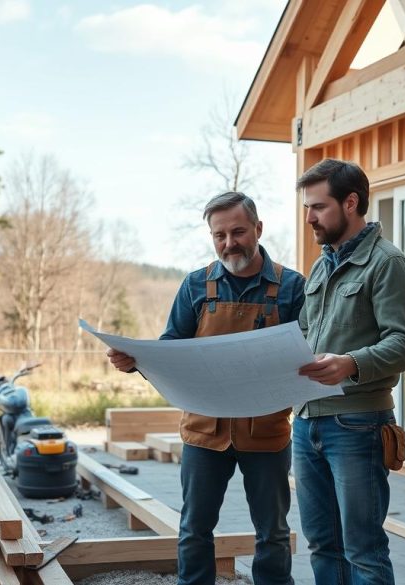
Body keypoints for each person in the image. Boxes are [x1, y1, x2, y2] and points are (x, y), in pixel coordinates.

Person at [106, 192, 305, 585]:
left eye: (238, 231)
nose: (229, 243)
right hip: (203, 434)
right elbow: (171, 349)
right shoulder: (196, 285)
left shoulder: (292, 288)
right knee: (195, 529)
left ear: (258, 229)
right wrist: (136, 362)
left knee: (274, 532)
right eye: (219, 235)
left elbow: (308, 354)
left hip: (266, 433)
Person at [293, 158, 405, 585]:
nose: (309, 218)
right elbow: (308, 335)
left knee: (362, 549)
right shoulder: (320, 265)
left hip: (357, 424)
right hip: (306, 423)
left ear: (351, 203)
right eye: (307, 208)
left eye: (318, 207)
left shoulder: (388, 264)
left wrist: (351, 363)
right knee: (321, 544)